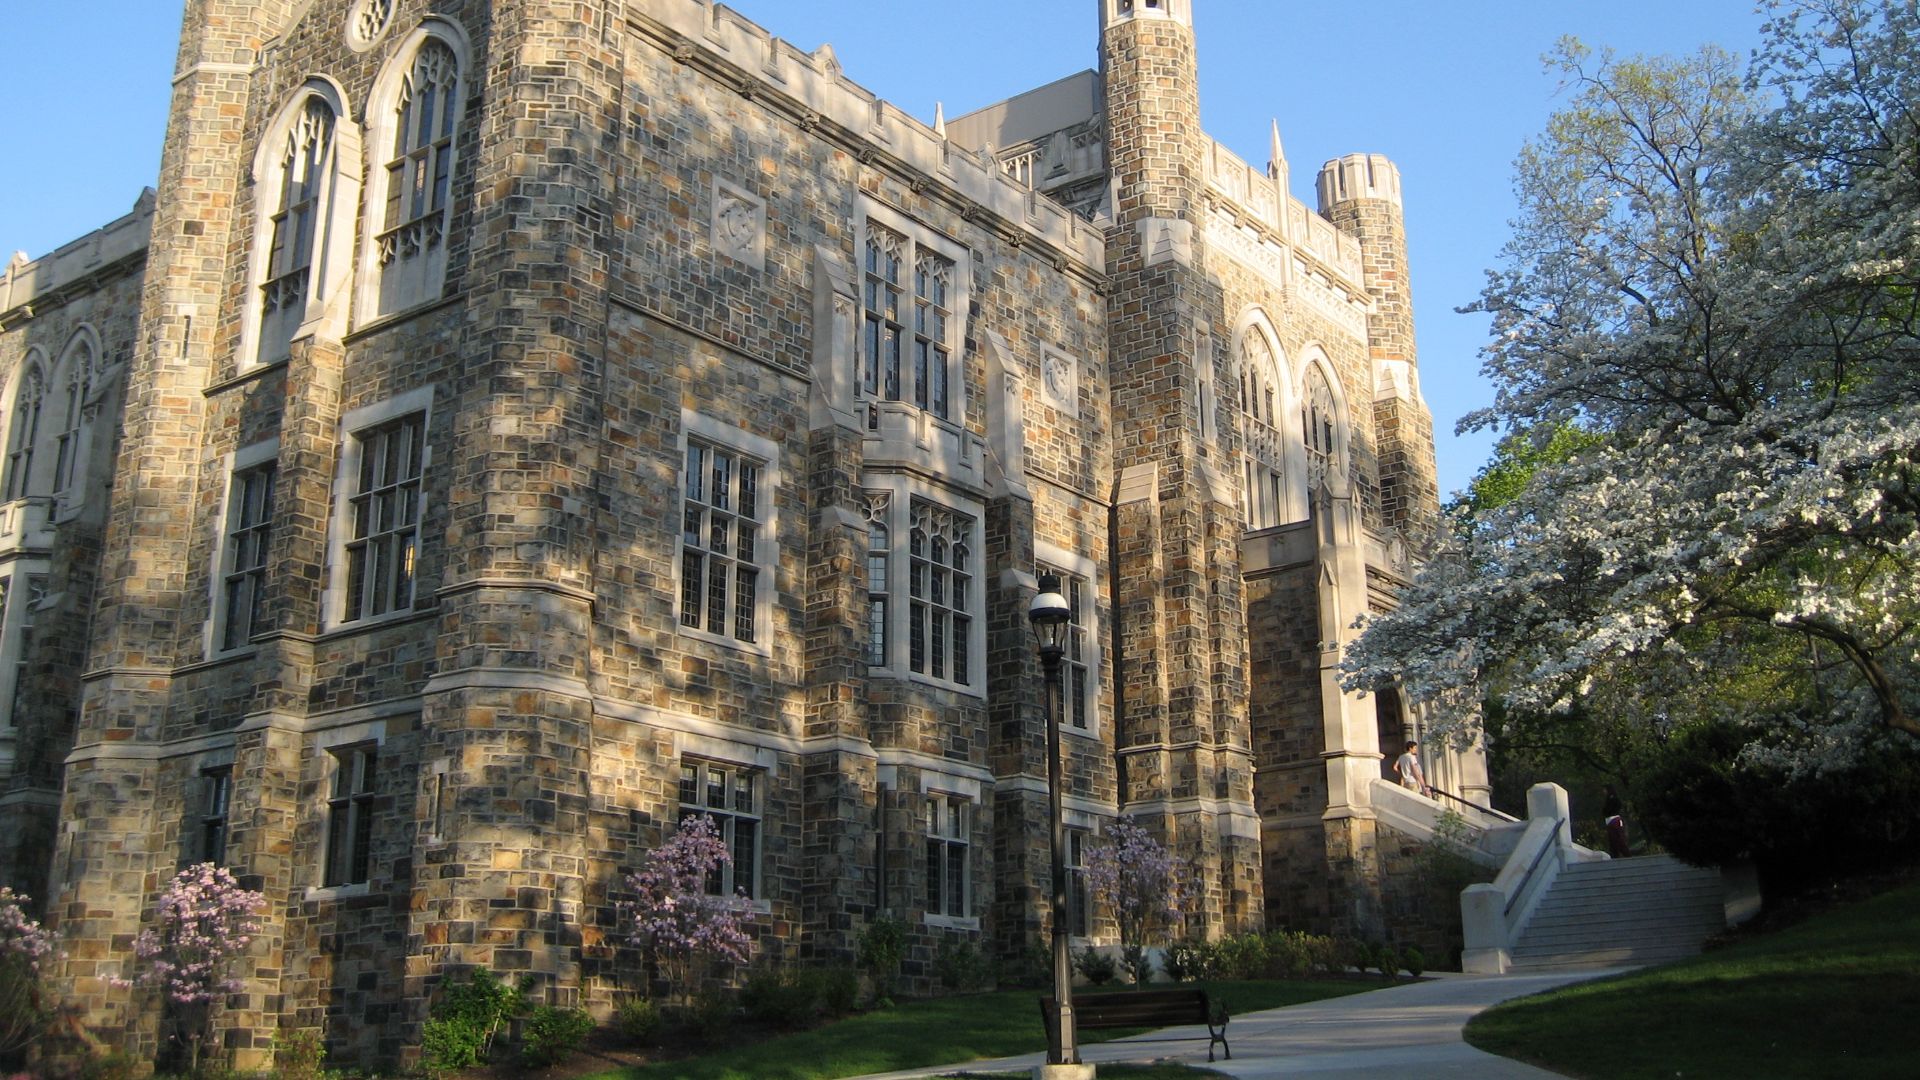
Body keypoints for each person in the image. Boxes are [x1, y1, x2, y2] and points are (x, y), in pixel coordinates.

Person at [1603, 785, 1630, 858]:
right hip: (1609, 821)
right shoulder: (1608, 799)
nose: (1604, 791)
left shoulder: (1614, 799)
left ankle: (1626, 854)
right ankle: (1615, 855)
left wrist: (1609, 811)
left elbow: (1617, 806)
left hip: (1614, 819)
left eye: (1605, 790)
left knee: (1618, 839)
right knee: (1613, 840)